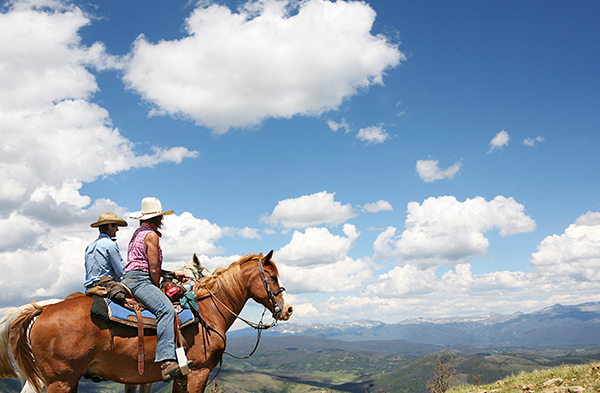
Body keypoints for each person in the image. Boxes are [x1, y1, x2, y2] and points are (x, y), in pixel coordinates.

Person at [122, 197, 189, 382]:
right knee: (166, 309)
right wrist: (157, 283)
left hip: (132, 276)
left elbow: (146, 264)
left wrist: (174, 274)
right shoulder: (152, 236)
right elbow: (152, 268)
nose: (162, 220)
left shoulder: (138, 233)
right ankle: (167, 361)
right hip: (140, 280)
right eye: (160, 216)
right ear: (156, 218)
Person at [84, 212, 128, 291]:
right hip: (106, 286)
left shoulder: (90, 246)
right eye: (116, 226)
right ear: (110, 226)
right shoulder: (110, 244)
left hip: (90, 287)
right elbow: (120, 271)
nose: (117, 229)